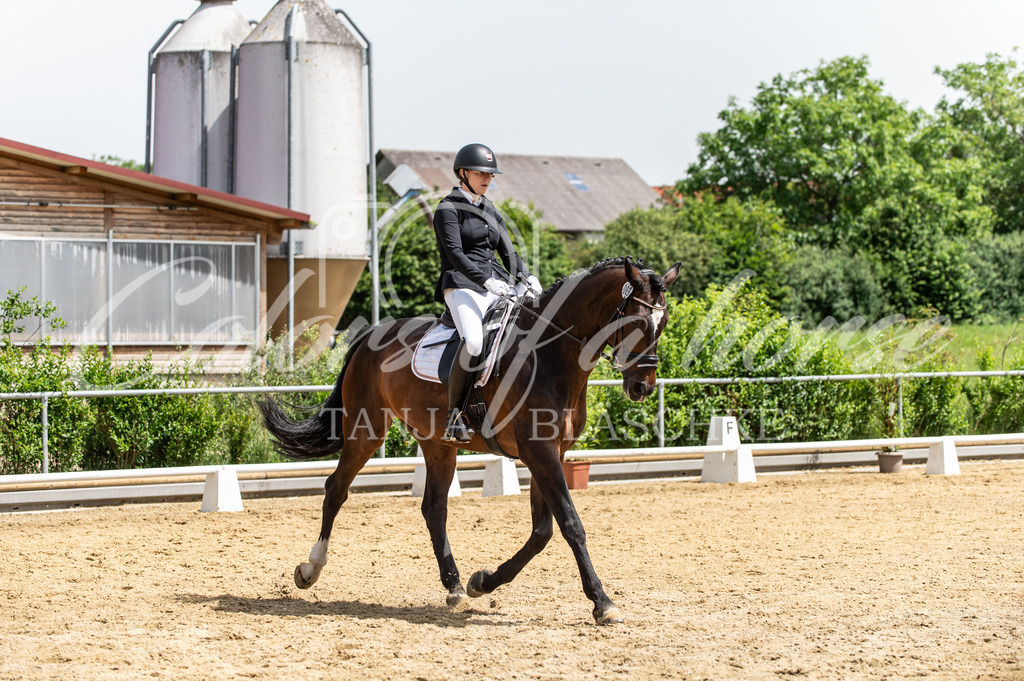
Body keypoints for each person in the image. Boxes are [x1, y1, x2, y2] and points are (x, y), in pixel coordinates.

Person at [432, 143, 542, 443]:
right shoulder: (447, 208)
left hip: (498, 283)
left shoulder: (490, 208)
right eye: (481, 173)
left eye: (490, 175)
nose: (486, 179)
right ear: (463, 173)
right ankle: (454, 414)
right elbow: (454, 253)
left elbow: (508, 251)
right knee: (475, 341)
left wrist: (525, 275)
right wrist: (485, 280)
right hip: (462, 285)